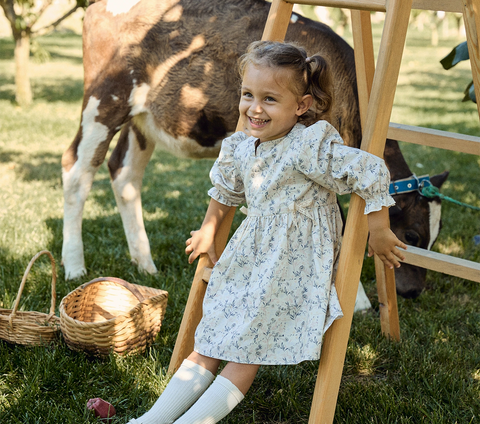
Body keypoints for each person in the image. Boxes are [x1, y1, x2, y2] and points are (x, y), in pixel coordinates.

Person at [88, 40, 406, 423]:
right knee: (211, 337)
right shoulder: (241, 147)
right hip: (251, 253)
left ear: (301, 106)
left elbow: (369, 170)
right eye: (248, 95)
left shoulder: (307, 145)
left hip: (292, 263)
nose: (255, 108)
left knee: (243, 352)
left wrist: (379, 228)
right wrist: (209, 227)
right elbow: (226, 191)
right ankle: (148, 421)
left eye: (270, 99)